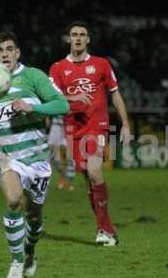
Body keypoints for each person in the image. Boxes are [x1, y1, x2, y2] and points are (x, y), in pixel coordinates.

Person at [0, 30, 69, 278]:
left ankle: (30, 252)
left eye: (9, 49)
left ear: (17, 52)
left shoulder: (33, 76)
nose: (4, 55)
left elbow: (62, 105)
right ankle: (16, 260)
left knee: (34, 218)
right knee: (13, 201)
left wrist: (33, 106)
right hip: (4, 155)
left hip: (37, 159)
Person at [49, 21, 132, 246]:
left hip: (97, 126)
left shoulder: (101, 64)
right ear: (68, 39)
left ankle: (103, 229)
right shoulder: (57, 68)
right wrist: (73, 98)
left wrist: (125, 123)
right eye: (73, 34)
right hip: (73, 128)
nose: (77, 38)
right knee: (88, 181)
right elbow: (51, 98)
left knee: (95, 172)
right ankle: (106, 229)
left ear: (88, 39)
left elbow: (115, 94)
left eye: (82, 35)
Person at [47, 115, 75, 190]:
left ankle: (70, 183)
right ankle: (63, 175)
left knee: (69, 156)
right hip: (56, 126)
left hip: (69, 125)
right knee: (52, 157)